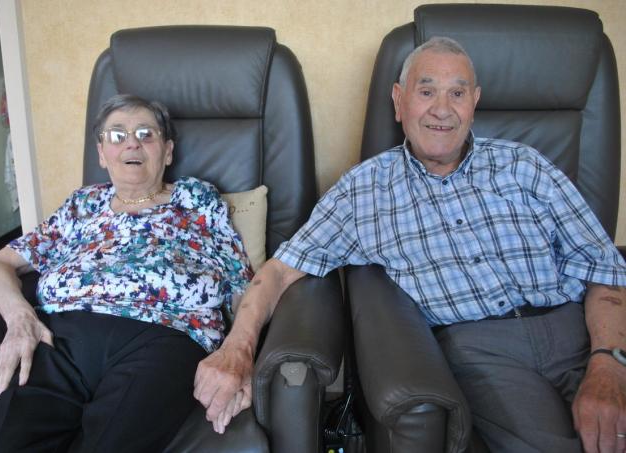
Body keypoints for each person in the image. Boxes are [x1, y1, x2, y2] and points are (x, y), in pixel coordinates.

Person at [196, 37, 626, 452]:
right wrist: (237, 350)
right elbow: (280, 270)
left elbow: (603, 267)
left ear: (474, 102)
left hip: (579, 328)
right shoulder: (364, 190)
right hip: (482, 350)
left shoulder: (525, 165)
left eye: (457, 93)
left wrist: (609, 360)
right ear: (399, 101)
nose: (442, 109)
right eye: (426, 91)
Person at [0, 94, 254, 452]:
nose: (132, 143)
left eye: (146, 134)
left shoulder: (198, 199)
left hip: (166, 335)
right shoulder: (82, 204)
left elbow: (241, 281)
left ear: (168, 151)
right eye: (117, 135)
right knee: (7, 439)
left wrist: (240, 355)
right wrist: (19, 319)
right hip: (60, 337)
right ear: (101, 153)